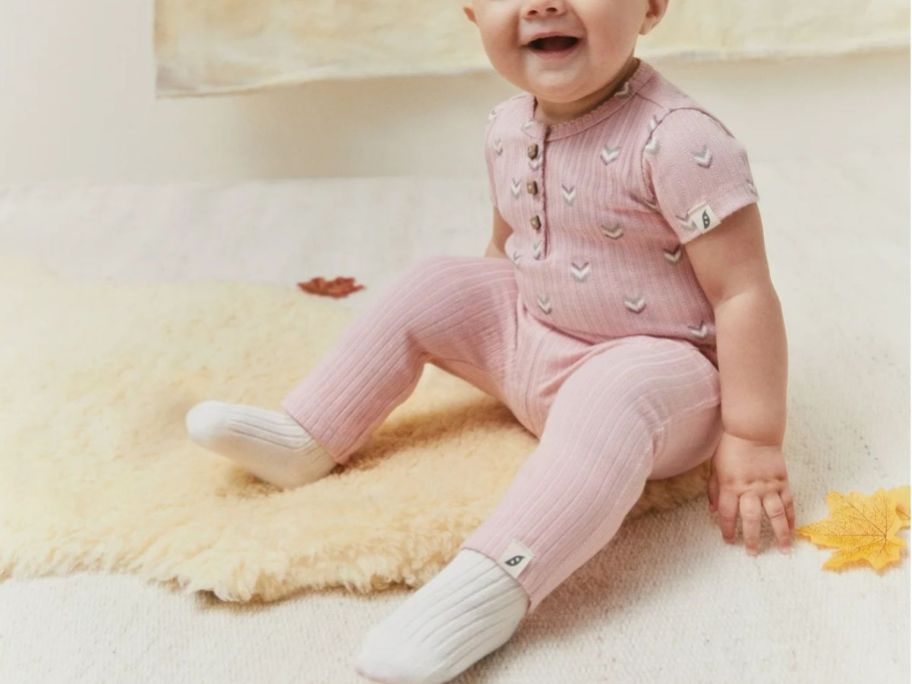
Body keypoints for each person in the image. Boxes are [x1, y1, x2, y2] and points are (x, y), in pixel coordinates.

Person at [185, 1, 796, 681]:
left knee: (614, 393)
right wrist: (469, 319)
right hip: (535, 341)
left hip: (657, 372)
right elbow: (512, 246)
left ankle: (491, 584)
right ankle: (309, 433)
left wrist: (753, 436)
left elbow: (743, 293)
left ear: (651, 5)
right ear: (472, 11)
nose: (543, 4)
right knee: (439, 280)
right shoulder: (506, 126)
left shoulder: (680, 141)